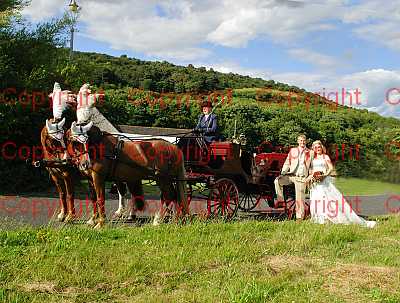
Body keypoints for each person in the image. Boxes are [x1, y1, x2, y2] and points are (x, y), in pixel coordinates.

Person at [306, 140, 376, 228]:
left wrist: (324, 175)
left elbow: (331, 168)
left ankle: (332, 218)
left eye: (319, 147)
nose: (317, 149)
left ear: (321, 147)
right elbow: (312, 171)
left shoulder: (325, 157)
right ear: (313, 149)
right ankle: (321, 219)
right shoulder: (313, 159)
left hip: (324, 182)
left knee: (328, 200)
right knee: (317, 200)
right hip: (316, 183)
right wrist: (311, 177)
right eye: (315, 147)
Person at [274, 134, 312, 220]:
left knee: (300, 198)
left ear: (306, 141)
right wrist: (283, 172)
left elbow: (311, 167)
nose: (302, 142)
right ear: (298, 141)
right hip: (291, 175)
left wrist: (308, 177)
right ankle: (280, 200)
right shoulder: (293, 151)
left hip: (301, 177)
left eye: (303, 141)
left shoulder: (310, 152)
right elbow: (287, 162)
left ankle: (299, 217)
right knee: (277, 181)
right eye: (300, 140)